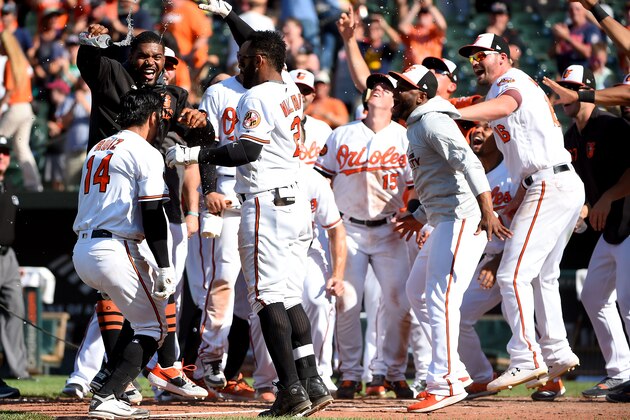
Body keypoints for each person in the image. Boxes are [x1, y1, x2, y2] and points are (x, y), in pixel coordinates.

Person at [167, 30, 333, 417]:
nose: (237, 62)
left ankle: (290, 389)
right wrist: (228, 17)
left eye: (243, 56)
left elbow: (247, 150)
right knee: (290, 296)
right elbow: (262, 42)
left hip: (265, 202)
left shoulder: (257, 95)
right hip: (294, 200)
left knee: (266, 297)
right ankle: (311, 380)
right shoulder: (288, 84)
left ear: (258, 60)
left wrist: (193, 151)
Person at [77, 25, 209, 400]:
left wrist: (200, 124)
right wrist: (91, 42)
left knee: (154, 285)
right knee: (124, 286)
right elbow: (88, 61)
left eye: (158, 57)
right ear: (129, 57)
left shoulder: (174, 95)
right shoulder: (113, 73)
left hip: (152, 189)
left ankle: (129, 371)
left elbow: (202, 142)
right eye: (144, 55)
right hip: (114, 195)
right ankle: (133, 372)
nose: (151, 62)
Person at [457, 33, 586, 392]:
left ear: (502, 56)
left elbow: (505, 106)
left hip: (549, 181)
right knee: (542, 276)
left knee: (512, 276)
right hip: (552, 181)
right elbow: (518, 156)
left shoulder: (509, 81)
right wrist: (515, 201)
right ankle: (557, 352)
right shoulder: (499, 87)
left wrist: (455, 112)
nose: (476, 62)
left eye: (482, 55)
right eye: (472, 58)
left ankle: (526, 358)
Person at [390, 65, 509, 413]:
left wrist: (487, 209)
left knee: (441, 298)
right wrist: (419, 216)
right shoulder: (418, 124)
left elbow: (468, 163)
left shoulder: (431, 120)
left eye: (404, 88)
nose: (397, 92)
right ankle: (455, 370)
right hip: (443, 218)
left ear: (422, 96)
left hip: (462, 220)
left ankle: (445, 382)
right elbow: (441, 183)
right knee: (418, 292)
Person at [72, 88, 173, 419]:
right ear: (153, 117)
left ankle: (110, 382)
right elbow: (153, 212)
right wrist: (164, 264)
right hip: (114, 247)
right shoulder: (143, 151)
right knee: (154, 329)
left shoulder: (99, 147)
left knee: (137, 320)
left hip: (84, 247)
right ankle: (109, 393)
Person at [315, 72, 415, 400]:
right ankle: (350, 375)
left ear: (394, 102)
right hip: (349, 229)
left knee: (399, 303)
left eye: (387, 88)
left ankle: (393, 373)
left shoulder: (405, 137)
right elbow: (320, 181)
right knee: (346, 301)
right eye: (376, 86)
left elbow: (416, 187)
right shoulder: (342, 134)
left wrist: (415, 215)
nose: (379, 90)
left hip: (390, 230)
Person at [556, 65, 630, 400]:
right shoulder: (571, 137)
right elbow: (583, 189)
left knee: (628, 303)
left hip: (628, 222)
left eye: (570, 87)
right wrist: (583, 209)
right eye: (562, 87)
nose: (564, 93)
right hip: (612, 227)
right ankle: (620, 373)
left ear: (586, 90)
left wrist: (605, 199)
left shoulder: (612, 126)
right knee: (595, 295)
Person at [0, 135, 29, 381]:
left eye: (6, 152)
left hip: (7, 256)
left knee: (16, 310)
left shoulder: (9, 186)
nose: (2, 156)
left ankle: (18, 371)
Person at [0, 31, 41, 192]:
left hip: (16, 108)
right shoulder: (22, 61)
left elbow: (10, 90)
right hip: (27, 108)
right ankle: (34, 185)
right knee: (21, 146)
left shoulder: (11, 62)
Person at [550, 1, 603, 74]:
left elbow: (589, 53)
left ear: (585, 11)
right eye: (571, 9)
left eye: (577, 9)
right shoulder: (566, 28)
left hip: (582, 74)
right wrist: (558, 40)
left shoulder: (591, 29)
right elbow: (551, 54)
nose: (574, 12)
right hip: (564, 74)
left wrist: (567, 37)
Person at [397, 0, 447, 68]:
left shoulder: (434, 31)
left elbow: (443, 26)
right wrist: (416, 6)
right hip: (412, 74)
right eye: (421, 13)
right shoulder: (413, 31)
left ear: (432, 16)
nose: (423, 15)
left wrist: (429, 6)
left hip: (432, 73)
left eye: (426, 12)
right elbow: (402, 27)